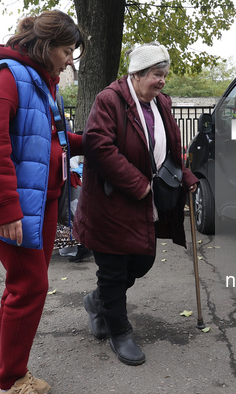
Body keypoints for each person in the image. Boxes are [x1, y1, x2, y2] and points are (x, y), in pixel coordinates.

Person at [0, 10, 86, 393]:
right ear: (45, 46)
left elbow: (55, 137)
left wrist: (89, 141)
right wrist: (7, 210)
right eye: (66, 50)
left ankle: (9, 369)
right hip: (16, 207)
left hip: (40, 201)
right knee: (29, 287)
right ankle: (9, 381)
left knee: (23, 286)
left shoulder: (43, 82)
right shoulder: (6, 78)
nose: (69, 60)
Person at [73, 42, 199, 366]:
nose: (162, 81)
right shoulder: (109, 100)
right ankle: (120, 330)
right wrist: (138, 184)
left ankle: (97, 301)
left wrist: (186, 176)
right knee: (114, 270)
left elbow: (172, 147)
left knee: (142, 260)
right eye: (157, 75)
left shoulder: (161, 103)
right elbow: (98, 146)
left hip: (146, 203)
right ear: (138, 73)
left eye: (164, 75)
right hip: (112, 202)